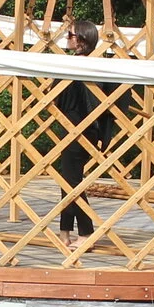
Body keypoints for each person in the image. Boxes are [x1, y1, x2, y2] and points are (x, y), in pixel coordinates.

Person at [54, 19, 112, 249]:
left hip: (80, 128)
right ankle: (65, 231)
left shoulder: (86, 66)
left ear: (82, 40)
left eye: (70, 35)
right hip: (72, 126)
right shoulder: (79, 65)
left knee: (72, 182)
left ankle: (86, 233)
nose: (66, 38)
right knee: (68, 180)